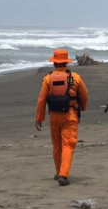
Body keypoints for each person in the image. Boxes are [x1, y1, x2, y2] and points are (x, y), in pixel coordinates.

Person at [35, 49, 89, 187]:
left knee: (57, 145)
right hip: (70, 116)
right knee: (68, 145)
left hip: (54, 116)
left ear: (54, 63)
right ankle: (63, 175)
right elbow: (85, 95)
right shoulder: (75, 77)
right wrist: (82, 108)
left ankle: (59, 171)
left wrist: (39, 118)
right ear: (66, 63)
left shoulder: (48, 78)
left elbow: (41, 100)